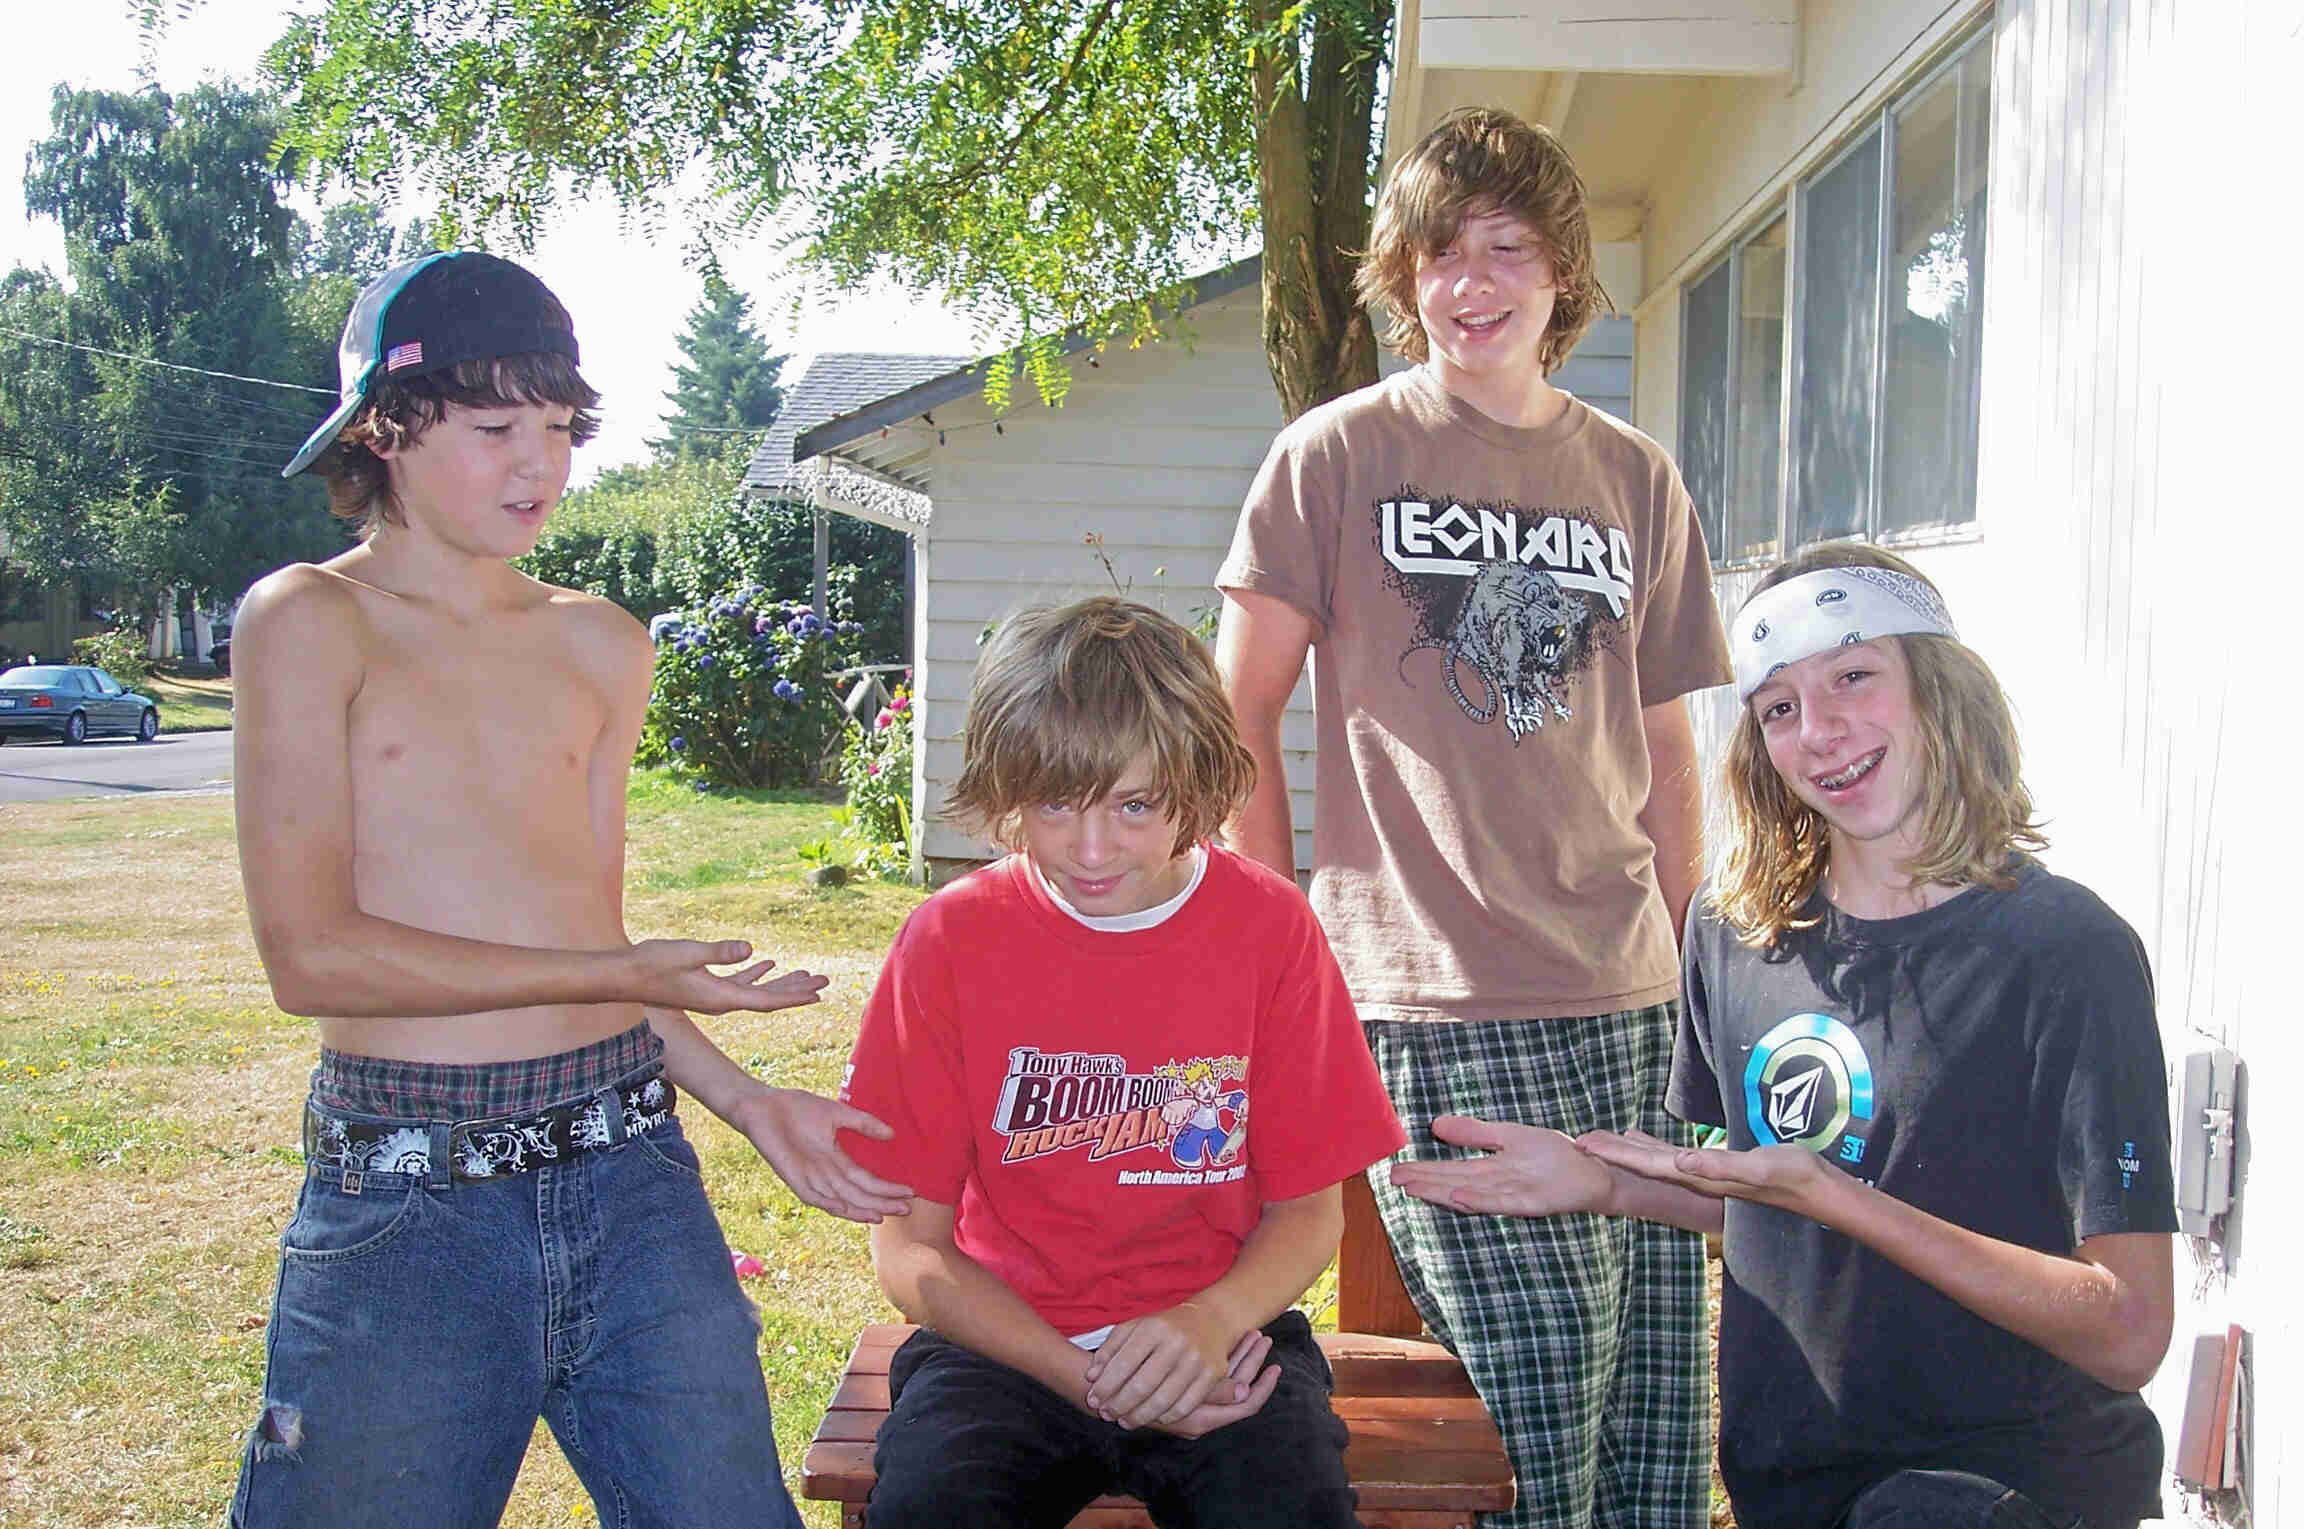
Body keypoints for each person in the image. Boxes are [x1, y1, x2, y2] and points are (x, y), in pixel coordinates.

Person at [229, 250, 910, 1529]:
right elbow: (310, 956)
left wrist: (748, 1101)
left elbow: (587, 939)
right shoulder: (311, 620)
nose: (537, 466)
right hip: (407, 1204)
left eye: (558, 428)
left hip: (628, 1173)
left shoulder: (601, 640)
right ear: (384, 428)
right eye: (494, 430)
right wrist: (618, 969)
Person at [1394, 543, 2178, 1529]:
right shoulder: (1737, 934)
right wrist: (1605, 1182)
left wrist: (1839, 1198)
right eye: (1778, 707)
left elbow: (2130, 1329)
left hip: (2005, 1484)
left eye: (1854, 676)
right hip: (1795, 1481)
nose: (1820, 731)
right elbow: (1776, 1216)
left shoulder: (2067, 949)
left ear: (1940, 685)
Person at [1213, 106, 1726, 1526]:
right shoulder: (1334, 455)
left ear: (1562, 271)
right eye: (1440, 253)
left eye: (1505, 248)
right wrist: (1283, 935)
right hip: (1434, 997)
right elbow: (1234, 711)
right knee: (1533, 1417)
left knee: (1655, 1422)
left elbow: (1666, 744)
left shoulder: (1634, 476)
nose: (1471, 282)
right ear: (1404, 278)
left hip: (1634, 995)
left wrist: (1698, 957)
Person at [838, 595, 1407, 1527]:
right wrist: (1089, 1376)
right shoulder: (949, 941)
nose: (1092, 848)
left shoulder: (1270, 931)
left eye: (1135, 805)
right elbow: (910, 1248)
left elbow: (1310, 1213)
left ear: (1200, 781)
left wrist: (1207, 1321)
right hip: (1007, 1351)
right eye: (1055, 803)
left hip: (1218, 1333)